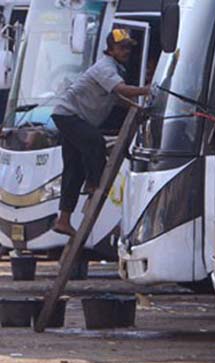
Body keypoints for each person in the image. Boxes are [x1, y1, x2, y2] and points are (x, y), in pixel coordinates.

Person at [51, 29, 150, 236]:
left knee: (73, 168)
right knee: (95, 142)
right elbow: (122, 90)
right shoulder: (105, 67)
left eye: (128, 48)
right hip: (69, 115)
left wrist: (137, 108)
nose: (125, 51)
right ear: (111, 48)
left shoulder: (114, 70)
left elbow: (116, 98)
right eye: (121, 47)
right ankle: (94, 185)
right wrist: (148, 90)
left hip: (68, 116)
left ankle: (64, 220)